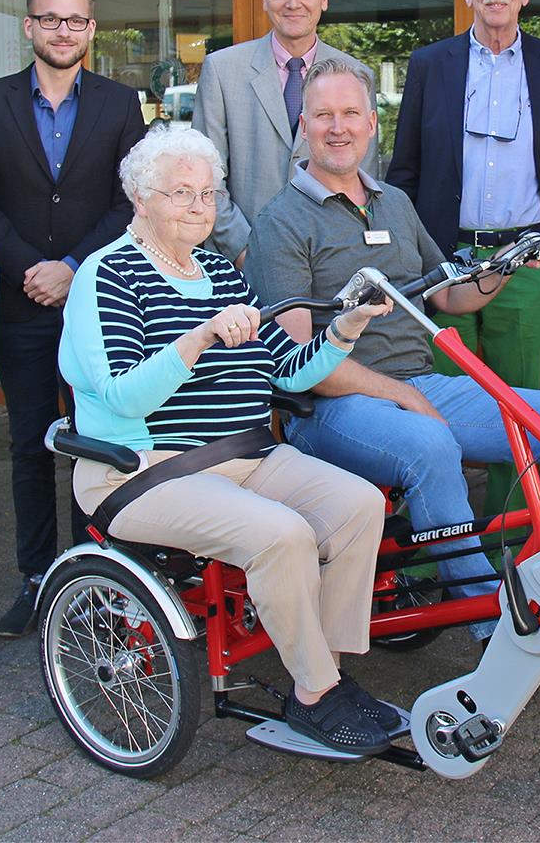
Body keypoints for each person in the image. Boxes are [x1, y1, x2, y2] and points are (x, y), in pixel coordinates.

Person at [248, 58, 540, 643]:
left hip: (419, 388)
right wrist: (399, 394)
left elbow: (449, 295)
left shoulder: (395, 204)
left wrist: (506, 262)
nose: (338, 127)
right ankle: (494, 619)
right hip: (328, 410)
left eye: (351, 113)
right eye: (323, 114)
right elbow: (302, 367)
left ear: (372, 123)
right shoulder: (281, 221)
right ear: (303, 125)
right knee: (429, 442)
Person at [60, 124, 397, 754]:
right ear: (141, 197)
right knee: (282, 533)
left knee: (360, 505)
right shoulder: (107, 276)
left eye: (208, 194)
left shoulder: (218, 268)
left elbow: (283, 368)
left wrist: (345, 329)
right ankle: (318, 689)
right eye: (180, 192)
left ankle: (318, 673)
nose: (198, 206)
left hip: (243, 453)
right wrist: (200, 337)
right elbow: (123, 396)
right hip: (143, 470)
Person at [0, 0, 146, 640]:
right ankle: (38, 577)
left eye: (76, 20)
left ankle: (99, 577)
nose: (63, 30)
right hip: (22, 303)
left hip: (96, 302)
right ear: (30, 26)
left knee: (97, 442)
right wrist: (29, 269)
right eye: (50, 18)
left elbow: (132, 199)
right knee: (33, 445)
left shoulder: (122, 105)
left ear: (91, 29)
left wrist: (72, 268)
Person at [386, 0, 540, 511]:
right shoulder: (431, 65)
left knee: (522, 409)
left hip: (526, 264)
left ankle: (514, 541)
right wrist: (414, 257)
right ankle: (440, 544)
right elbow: (404, 172)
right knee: (440, 408)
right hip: (444, 262)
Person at [194, 0, 376, 265]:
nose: (293, 3)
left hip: (329, 260)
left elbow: (363, 177)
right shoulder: (222, 70)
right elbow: (205, 177)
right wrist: (244, 251)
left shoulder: (356, 74)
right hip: (239, 262)